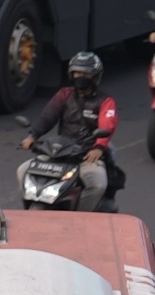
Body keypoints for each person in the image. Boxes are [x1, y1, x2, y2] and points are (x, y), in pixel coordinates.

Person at [21, 52, 121, 212]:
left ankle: (82, 217)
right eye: (77, 72)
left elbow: (107, 125)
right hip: (60, 152)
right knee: (23, 170)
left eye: (86, 73)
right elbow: (47, 117)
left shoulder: (105, 101)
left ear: (95, 76)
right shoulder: (64, 94)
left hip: (86, 155)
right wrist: (32, 135)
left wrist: (98, 147)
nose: (81, 76)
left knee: (98, 184)